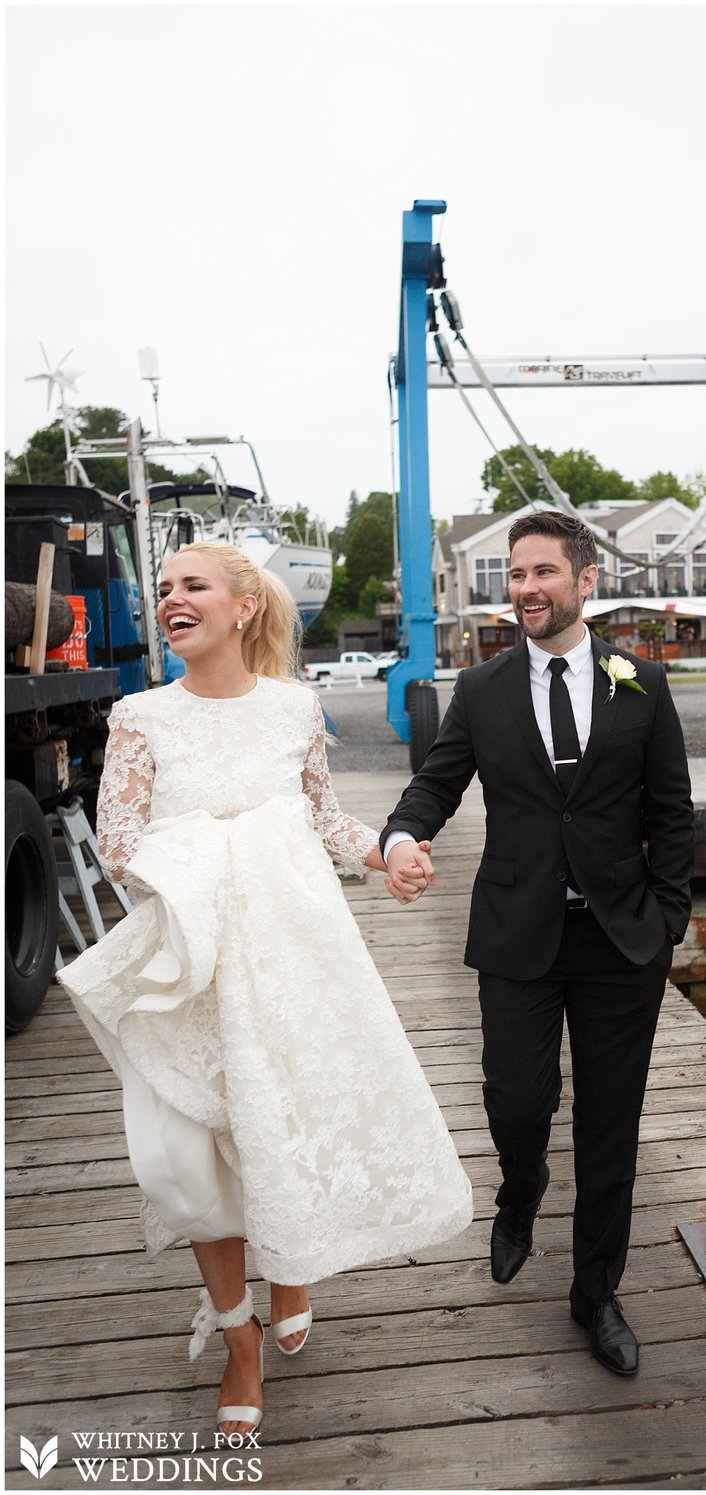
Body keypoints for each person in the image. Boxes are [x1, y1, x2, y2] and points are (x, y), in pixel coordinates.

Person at [58, 543, 472, 1438]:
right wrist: (221, 855)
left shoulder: (295, 708)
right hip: (193, 959)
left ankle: (293, 1263)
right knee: (192, 1156)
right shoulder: (139, 717)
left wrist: (389, 849)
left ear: (243, 607)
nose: (171, 599)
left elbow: (323, 818)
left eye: (192, 586)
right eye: (164, 589)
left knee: (286, 1118)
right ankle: (238, 1335)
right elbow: (120, 844)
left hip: (295, 955)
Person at [382, 511, 694, 1377]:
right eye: (514, 573)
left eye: (542, 572)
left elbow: (671, 812)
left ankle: (595, 1294)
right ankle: (521, 1191)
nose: (524, 588)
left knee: (610, 1129)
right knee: (517, 1102)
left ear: (585, 581)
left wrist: (667, 920)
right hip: (518, 936)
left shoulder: (644, 683)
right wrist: (403, 838)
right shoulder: (481, 690)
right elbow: (433, 787)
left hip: (622, 944)